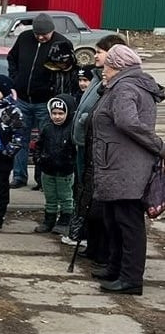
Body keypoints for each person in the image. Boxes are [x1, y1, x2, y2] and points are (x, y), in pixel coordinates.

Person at [90, 44, 165, 295]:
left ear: (118, 67)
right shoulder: (121, 85)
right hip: (117, 163)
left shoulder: (125, 87)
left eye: (107, 65)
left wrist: (160, 147)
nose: (103, 69)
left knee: (128, 223)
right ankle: (116, 268)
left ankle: (131, 279)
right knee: (113, 219)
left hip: (125, 166)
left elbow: (127, 121)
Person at [65, 36, 125, 254]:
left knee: (95, 197)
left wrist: (86, 119)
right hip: (83, 144)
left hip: (98, 148)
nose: (96, 55)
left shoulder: (113, 82)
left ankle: (101, 248)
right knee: (84, 193)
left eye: (100, 52)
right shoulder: (97, 77)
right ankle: (90, 242)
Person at [6, 13, 74, 189]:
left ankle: (41, 179)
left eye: (44, 34)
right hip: (22, 99)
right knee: (20, 139)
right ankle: (19, 176)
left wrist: (53, 90)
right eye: (37, 34)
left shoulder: (62, 43)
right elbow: (12, 58)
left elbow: (68, 70)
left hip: (45, 101)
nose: (41, 37)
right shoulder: (24, 38)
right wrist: (15, 78)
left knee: (44, 142)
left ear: (52, 31)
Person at [0, 75, 25, 231]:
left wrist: (7, 152)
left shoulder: (13, 110)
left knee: (0, 187)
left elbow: (18, 136)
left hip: (3, 157)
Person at [34, 95, 77, 234]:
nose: (57, 117)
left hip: (65, 171)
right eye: (54, 113)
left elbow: (76, 150)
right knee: (50, 197)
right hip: (47, 170)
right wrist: (39, 159)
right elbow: (39, 145)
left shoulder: (72, 130)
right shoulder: (47, 128)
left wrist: (71, 163)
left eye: (61, 113)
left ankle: (65, 221)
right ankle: (49, 220)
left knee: (66, 197)